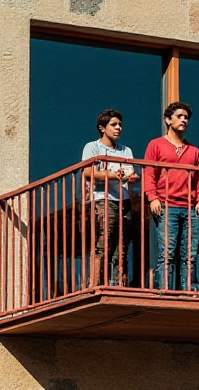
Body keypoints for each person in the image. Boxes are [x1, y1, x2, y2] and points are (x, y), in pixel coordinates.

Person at [144, 101, 199, 291]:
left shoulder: (194, 151)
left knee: (189, 254)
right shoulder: (156, 145)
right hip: (166, 206)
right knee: (167, 253)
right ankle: (164, 292)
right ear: (167, 119)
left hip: (190, 208)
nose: (184, 120)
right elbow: (149, 172)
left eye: (186, 117)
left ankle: (186, 292)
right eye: (179, 116)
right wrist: (152, 197)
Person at [81, 109, 138, 286]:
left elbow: (131, 173)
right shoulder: (93, 147)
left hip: (124, 200)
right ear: (102, 128)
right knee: (104, 242)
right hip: (102, 198)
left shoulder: (125, 150)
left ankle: (118, 285)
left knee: (122, 247)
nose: (118, 128)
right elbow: (89, 172)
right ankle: (98, 284)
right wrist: (114, 175)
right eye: (114, 124)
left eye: (120, 124)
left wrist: (132, 179)